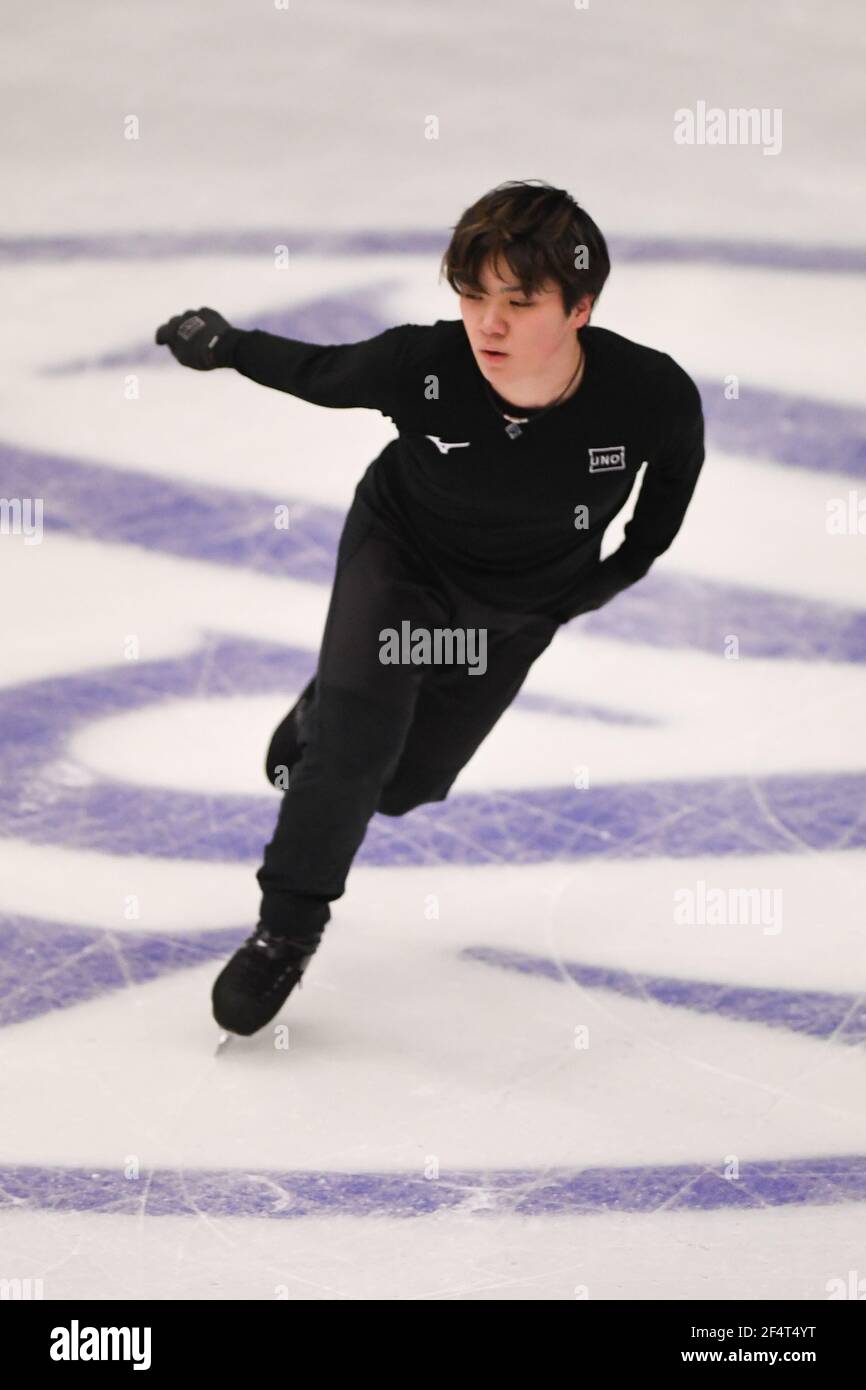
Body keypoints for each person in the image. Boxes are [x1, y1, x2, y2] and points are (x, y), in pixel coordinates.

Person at [154, 178, 705, 1039]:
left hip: (512, 607)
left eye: (519, 302)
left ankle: (324, 706)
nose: (488, 323)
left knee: (405, 786)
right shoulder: (425, 365)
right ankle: (285, 930)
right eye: (474, 294)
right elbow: (316, 371)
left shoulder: (652, 398)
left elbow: (656, 522)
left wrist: (577, 595)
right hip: (401, 558)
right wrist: (222, 343)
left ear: (580, 308)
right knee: (357, 743)